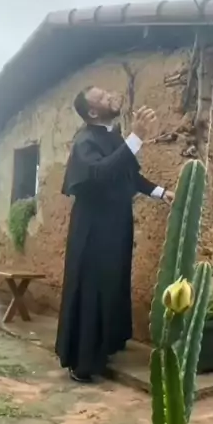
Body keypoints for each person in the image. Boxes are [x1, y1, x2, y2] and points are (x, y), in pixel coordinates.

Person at [55, 86, 175, 383]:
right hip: (93, 228)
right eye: (101, 97)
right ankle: (82, 362)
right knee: (92, 288)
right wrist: (136, 137)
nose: (110, 96)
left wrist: (161, 192)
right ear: (93, 111)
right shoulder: (84, 141)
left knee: (112, 284)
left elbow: (127, 174)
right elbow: (100, 173)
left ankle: (105, 347)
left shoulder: (112, 137)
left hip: (117, 225)